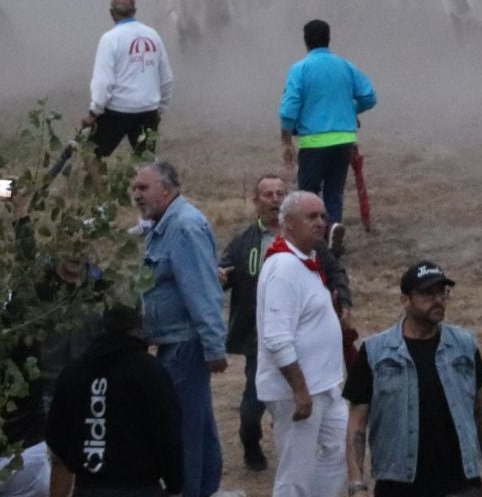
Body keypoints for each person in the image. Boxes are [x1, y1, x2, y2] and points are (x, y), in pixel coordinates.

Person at [221, 174, 353, 473]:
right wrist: (218, 277)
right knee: (252, 405)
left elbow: (336, 273)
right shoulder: (246, 243)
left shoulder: (312, 246)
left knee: (326, 450)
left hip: (307, 354)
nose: (274, 198)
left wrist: (343, 301)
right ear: (257, 202)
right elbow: (224, 271)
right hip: (260, 337)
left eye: (279, 192)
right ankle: (250, 440)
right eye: (267, 194)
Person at [346, 260, 482, 497]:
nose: (438, 299)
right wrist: (357, 485)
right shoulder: (374, 352)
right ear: (405, 300)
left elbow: (480, 413)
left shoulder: (465, 346)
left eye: (442, 292)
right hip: (399, 487)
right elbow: (356, 424)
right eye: (427, 293)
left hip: (461, 485)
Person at [132, 159, 230, 497]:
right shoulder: (164, 225)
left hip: (185, 345)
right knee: (197, 423)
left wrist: (214, 345)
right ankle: (203, 488)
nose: (137, 195)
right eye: (134, 189)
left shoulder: (184, 227)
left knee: (183, 428)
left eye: (143, 188)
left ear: (167, 189)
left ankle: (191, 489)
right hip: (175, 344)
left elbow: (202, 289)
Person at [256, 191, 347, 497]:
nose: (321, 223)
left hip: (326, 386)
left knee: (339, 452)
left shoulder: (307, 261)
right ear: (288, 224)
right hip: (299, 392)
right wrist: (299, 390)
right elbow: (277, 339)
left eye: (323, 216)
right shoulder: (283, 267)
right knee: (295, 475)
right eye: (311, 217)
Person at [44, 304, 186, 496]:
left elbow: (55, 432)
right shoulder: (150, 371)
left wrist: (80, 463)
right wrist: (174, 483)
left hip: (89, 486)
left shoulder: (74, 371)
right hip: (139, 487)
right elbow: (169, 432)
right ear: (139, 328)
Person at [278, 19, 377, 244]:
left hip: (314, 142)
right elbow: (369, 96)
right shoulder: (345, 66)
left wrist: (286, 140)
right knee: (334, 191)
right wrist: (351, 110)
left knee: (308, 194)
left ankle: (313, 241)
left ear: (305, 41)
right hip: (344, 139)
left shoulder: (300, 69)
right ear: (329, 38)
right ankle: (333, 232)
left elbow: (289, 107)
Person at [86, 0, 172, 159]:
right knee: (145, 160)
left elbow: (103, 82)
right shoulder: (153, 35)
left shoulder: (110, 39)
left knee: (91, 155)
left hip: (118, 110)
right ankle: (146, 185)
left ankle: (100, 185)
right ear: (134, 11)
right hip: (148, 109)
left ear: (111, 13)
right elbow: (167, 78)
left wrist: (94, 112)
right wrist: (159, 109)